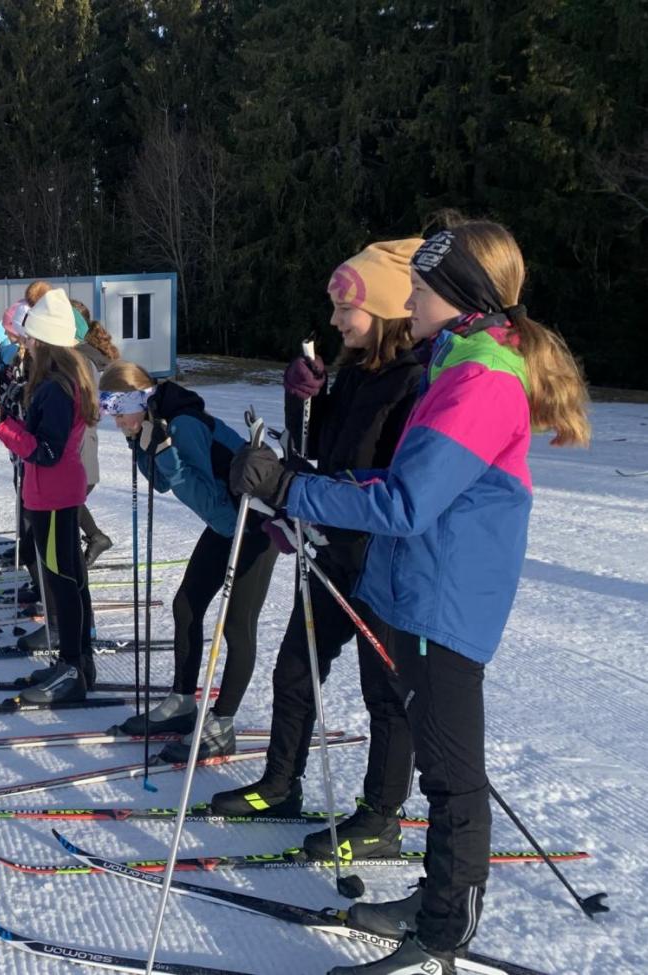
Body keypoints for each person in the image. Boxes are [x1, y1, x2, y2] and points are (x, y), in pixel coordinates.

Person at [231, 220, 590, 975]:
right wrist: (304, 485)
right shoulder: (455, 364)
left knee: (455, 773)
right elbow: (389, 484)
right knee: (438, 764)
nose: (411, 301)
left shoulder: (481, 379)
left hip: (446, 597)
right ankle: (434, 897)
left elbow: (405, 506)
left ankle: (445, 926)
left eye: (421, 290)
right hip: (420, 588)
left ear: (458, 296)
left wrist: (296, 489)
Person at [208, 240, 425, 863]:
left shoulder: (413, 384)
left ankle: (380, 817)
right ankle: (281, 783)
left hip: (379, 564)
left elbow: (387, 485)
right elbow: (315, 457)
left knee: (386, 693)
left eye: (345, 309)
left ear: (382, 309)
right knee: (296, 669)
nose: (334, 321)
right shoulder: (356, 375)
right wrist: (301, 400)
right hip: (326, 553)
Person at [97, 359, 278, 761]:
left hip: (254, 526)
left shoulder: (184, 426)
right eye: (107, 409)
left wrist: (162, 453)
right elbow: (162, 482)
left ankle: (223, 724)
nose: (114, 418)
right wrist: (143, 447)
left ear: (141, 399)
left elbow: (208, 501)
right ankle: (182, 703)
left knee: (236, 626)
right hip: (227, 523)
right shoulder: (157, 424)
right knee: (187, 605)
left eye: (117, 408)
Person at [0, 288, 98, 703]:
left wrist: (2, 426)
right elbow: (45, 438)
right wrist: (10, 416)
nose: (24, 345)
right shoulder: (61, 380)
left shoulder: (54, 387)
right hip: (56, 491)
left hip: (51, 494)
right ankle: (78, 664)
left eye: (30, 339)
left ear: (46, 342)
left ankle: (72, 668)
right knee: (70, 578)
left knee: (62, 580)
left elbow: (45, 451)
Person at [70, 300, 116, 567]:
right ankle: (96, 537)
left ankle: (93, 540)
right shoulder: (75, 355)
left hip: (81, 443)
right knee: (69, 501)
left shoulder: (80, 357)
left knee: (68, 501)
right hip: (80, 441)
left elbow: (88, 404)